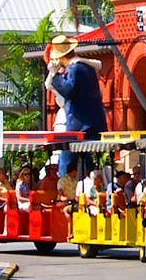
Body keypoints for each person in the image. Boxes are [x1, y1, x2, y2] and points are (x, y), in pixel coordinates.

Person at [46, 35, 108, 176]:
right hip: (91, 123)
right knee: (87, 163)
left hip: (80, 126)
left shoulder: (75, 69)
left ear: (61, 57)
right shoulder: (85, 67)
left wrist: (55, 75)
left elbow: (68, 90)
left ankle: (64, 185)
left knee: (67, 162)